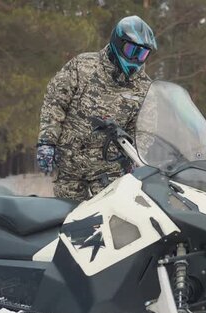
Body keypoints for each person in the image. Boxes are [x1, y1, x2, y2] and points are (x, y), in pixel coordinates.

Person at [36, 15, 156, 201]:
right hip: (70, 165)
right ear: (118, 42)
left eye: (142, 54)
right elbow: (55, 102)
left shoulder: (144, 88)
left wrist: (136, 158)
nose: (136, 58)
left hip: (109, 171)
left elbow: (145, 132)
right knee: (65, 219)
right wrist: (47, 141)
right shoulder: (82, 66)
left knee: (113, 221)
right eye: (131, 50)